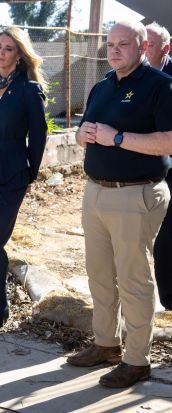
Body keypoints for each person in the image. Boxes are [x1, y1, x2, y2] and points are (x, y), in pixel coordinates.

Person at [66, 21, 172, 388]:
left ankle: (137, 360)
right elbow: (84, 132)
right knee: (99, 274)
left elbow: (168, 142)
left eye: (122, 44)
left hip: (136, 194)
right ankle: (106, 344)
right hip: (95, 191)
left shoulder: (160, 86)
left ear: (143, 47)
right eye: (110, 44)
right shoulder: (102, 86)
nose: (114, 50)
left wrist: (119, 138)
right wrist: (83, 135)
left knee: (133, 280)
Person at [0, 27, 47, 340]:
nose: (1, 54)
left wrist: (30, 172)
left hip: (14, 170)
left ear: (20, 56)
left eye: (8, 49)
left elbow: (39, 133)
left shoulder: (29, 90)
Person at [147, 22, 172, 311]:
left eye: (149, 46)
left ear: (165, 49)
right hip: (142, 172)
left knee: (166, 239)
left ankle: (168, 301)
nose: (142, 51)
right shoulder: (133, 77)